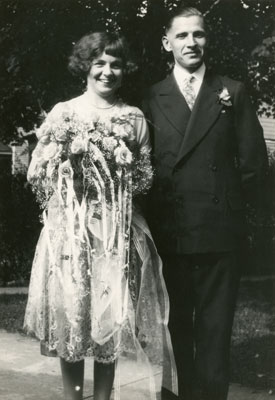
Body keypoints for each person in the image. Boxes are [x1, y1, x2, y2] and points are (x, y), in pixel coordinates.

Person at [24, 31, 178, 400]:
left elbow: (144, 178)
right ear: (85, 67)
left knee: (110, 319)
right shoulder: (65, 113)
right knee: (74, 322)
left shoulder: (133, 117)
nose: (108, 72)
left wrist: (118, 176)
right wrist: (68, 168)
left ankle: (104, 398)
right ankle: (73, 396)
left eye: (116, 65)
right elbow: (35, 173)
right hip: (71, 235)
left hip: (114, 232)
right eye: (100, 64)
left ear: (125, 70)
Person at [142, 6, 268, 400]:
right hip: (171, 232)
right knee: (174, 326)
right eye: (181, 36)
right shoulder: (150, 96)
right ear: (167, 43)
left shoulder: (233, 90)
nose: (190, 42)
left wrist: (226, 210)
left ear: (206, 40)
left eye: (198, 34)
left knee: (215, 332)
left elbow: (253, 165)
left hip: (218, 231)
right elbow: (144, 167)